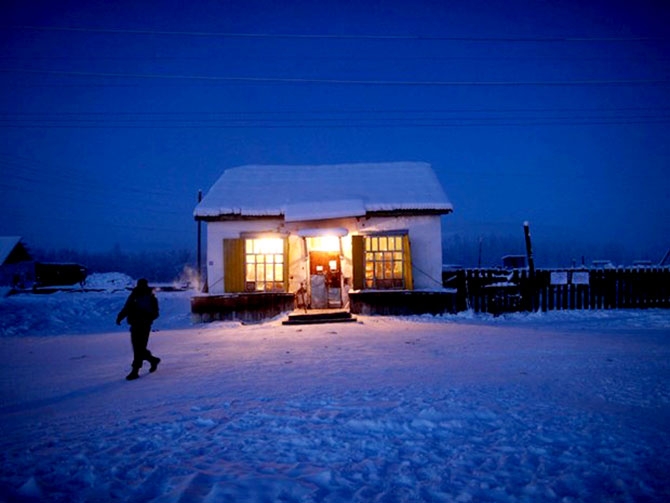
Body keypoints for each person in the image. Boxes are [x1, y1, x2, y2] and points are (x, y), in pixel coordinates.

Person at [116, 278, 161, 381]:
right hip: (138, 325)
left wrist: (120, 317)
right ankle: (153, 360)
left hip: (142, 325)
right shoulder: (143, 296)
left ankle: (135, 370)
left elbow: (127, 308)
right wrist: (120, 316)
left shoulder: (145, 296)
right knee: (139, 348)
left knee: (138, 349)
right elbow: (127, 308)